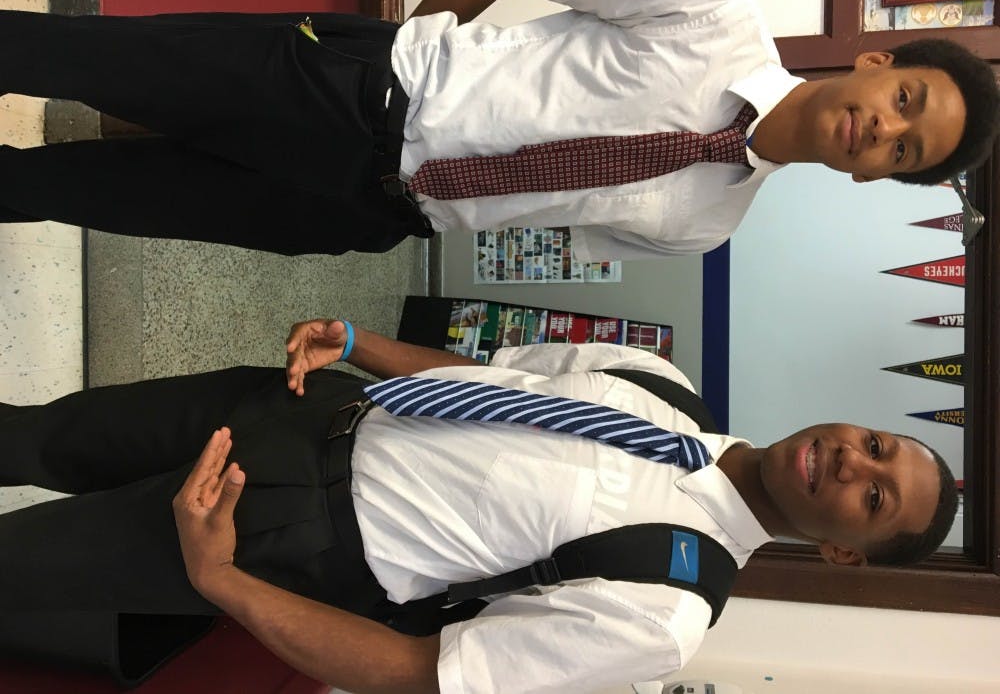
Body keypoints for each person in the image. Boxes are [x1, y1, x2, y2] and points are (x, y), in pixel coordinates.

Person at [0, 318, 958, 692]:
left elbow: (426, 671)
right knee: (38, 434)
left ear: (845, 555)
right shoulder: (658, 381)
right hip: (303, 408)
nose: (849, 465)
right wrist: (361, 346)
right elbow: (487, 376)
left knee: (19, 560)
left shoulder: (667, 608)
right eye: (876, 446)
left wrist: (222, 583)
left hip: (279, 536)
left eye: (875, 498)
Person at [1, 0, 996, 259]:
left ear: (874, 177)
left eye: (904, 151)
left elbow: (543, 210)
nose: (887, 130)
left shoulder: (707, 226)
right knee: (74, 57)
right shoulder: (715, 9)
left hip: (360, 213)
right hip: (356, 87)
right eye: (906, 97)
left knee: (82, 191)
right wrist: (418, 43)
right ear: (872, 59)